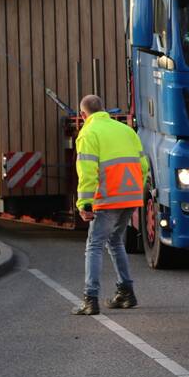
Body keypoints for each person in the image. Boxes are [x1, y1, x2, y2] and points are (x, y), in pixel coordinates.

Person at [72, 94, 149, 316]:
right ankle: (126, 292)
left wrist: (84, 203)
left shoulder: (88, 133)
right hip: (130, 196)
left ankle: (90, 298)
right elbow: (143, 165)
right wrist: (134, 190)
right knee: (115, 241)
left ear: (83, 115)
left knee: (94, 245)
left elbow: (87, 172)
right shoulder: (126, 130)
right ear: (103, 109)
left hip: (107, 198)